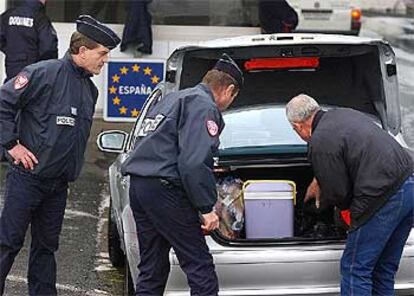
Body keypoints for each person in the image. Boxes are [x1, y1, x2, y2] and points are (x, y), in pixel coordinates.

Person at [0, 15, 120, 296]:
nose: (104, 61)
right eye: (102, 54)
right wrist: (11, 144)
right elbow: (3, 103)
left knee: (46, 249)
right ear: (82, 50)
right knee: (8, 243)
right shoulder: (42, 73)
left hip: (57, 186)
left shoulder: (89, 90)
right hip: (27, 179)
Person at [121, 53, 244, 296]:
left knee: (152, 268)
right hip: (166, 192)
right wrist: (206, 207)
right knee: (200, 267)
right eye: (233, 97)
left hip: (141, 187)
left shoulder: (174, 98)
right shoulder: (204, 106)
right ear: (229, 89)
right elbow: (193, 162)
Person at [286, 94, 414, 296]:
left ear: (298, 126)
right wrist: (319, 178)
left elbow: (339, 194)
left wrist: (334, 210)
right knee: (383, 269)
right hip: (409, 187)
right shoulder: (343, 114)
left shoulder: (319, 141)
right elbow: (354, 152)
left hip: (382, 197)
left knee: (355, 269)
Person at [0, 0, 58, 82]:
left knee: (12, 91)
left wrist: (12, 51)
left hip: (12, 71)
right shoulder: (40, 18)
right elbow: (48, 48)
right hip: (34, 73)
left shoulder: (8, 15)